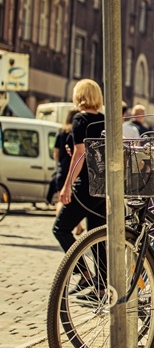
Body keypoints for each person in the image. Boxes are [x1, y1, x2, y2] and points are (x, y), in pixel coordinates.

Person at [52, 79, 107, 297]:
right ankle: (102, 288)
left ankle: (84, 274)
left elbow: (80, 153)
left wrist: (67, 186)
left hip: (85, 186)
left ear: (79, 96)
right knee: (98, 236)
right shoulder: (104, 120)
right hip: (103, 187)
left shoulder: (80, 119)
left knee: (61, 228)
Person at [47, 109, 85, 236]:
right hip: (78, 170)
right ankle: (78, 225)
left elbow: (56, 153)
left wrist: (59, 164)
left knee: (62, 201)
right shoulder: (80, 128)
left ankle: (72, 224)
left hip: (64, 169)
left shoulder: (62, 131)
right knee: (74, 203)